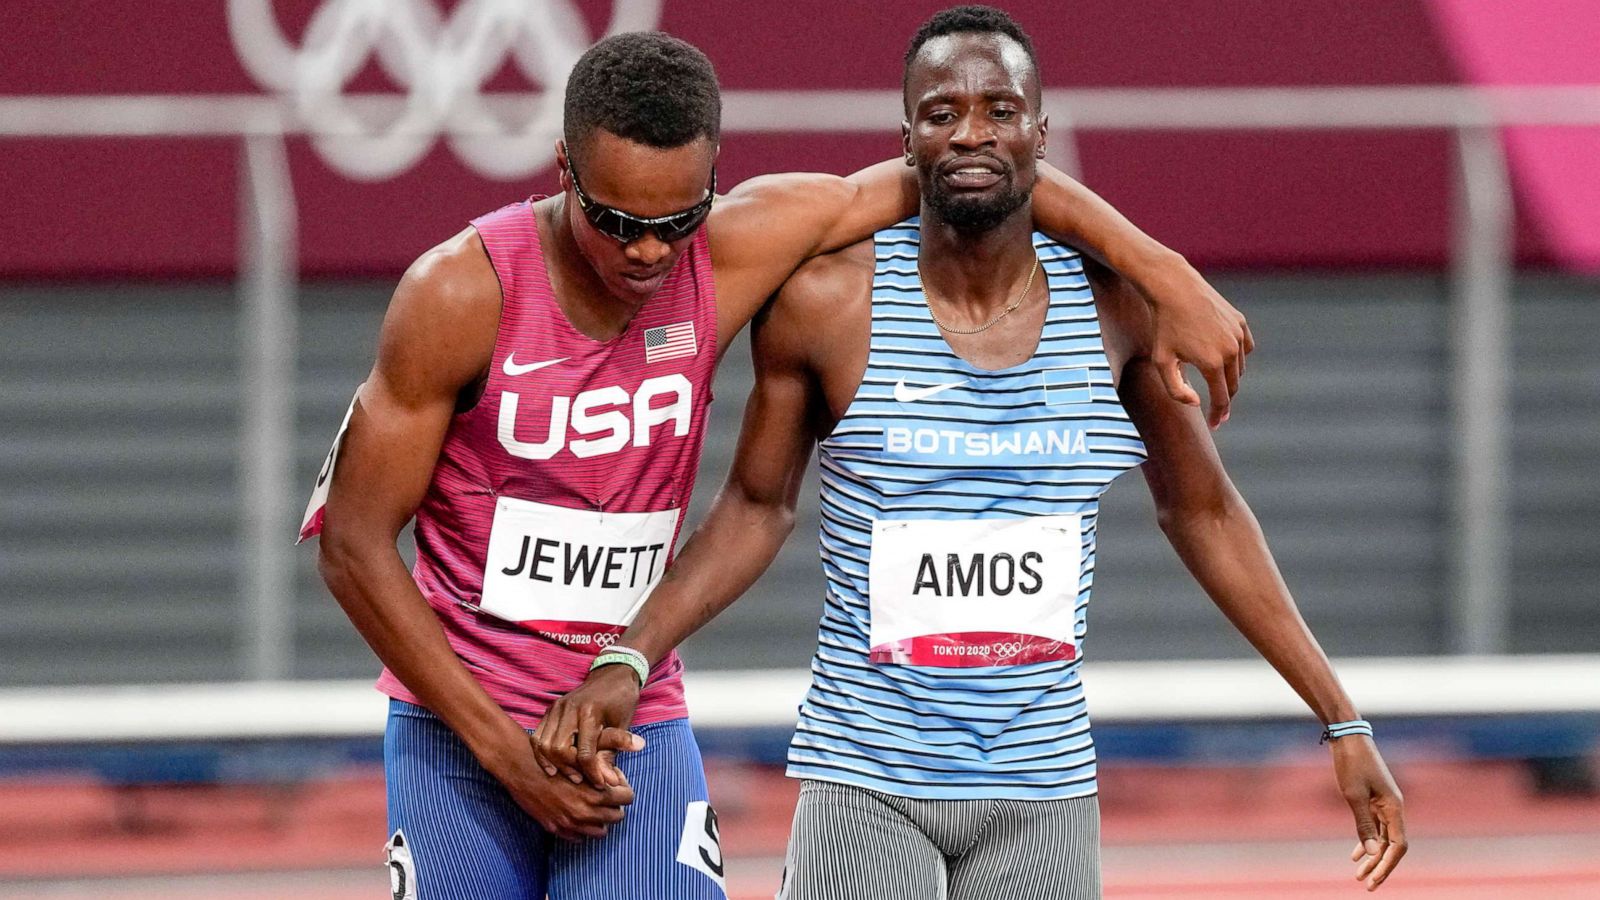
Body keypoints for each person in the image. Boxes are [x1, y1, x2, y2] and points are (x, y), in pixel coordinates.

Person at [304, 25, 1251, 900]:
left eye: (675, 221)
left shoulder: (733, 252)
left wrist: (1167, 274)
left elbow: (971, 164)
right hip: (462, 722)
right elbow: (351, 545)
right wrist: (506, 757)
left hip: (632, 708)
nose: (645, 253)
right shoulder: (460, 293)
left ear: (713, 183)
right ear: (562, 169)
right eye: (614, 219)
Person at [536, 8, 1406, 899]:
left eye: (1000, 110)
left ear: (1041, 131)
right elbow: (758, 505)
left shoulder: (1117, 311)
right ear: (905, 138)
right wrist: (630, 654)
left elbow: (1205, 511)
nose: (972, 133)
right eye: (942, 113)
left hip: (1044, 792)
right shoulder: (827, 303)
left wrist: (1342, 721)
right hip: (866, 780)